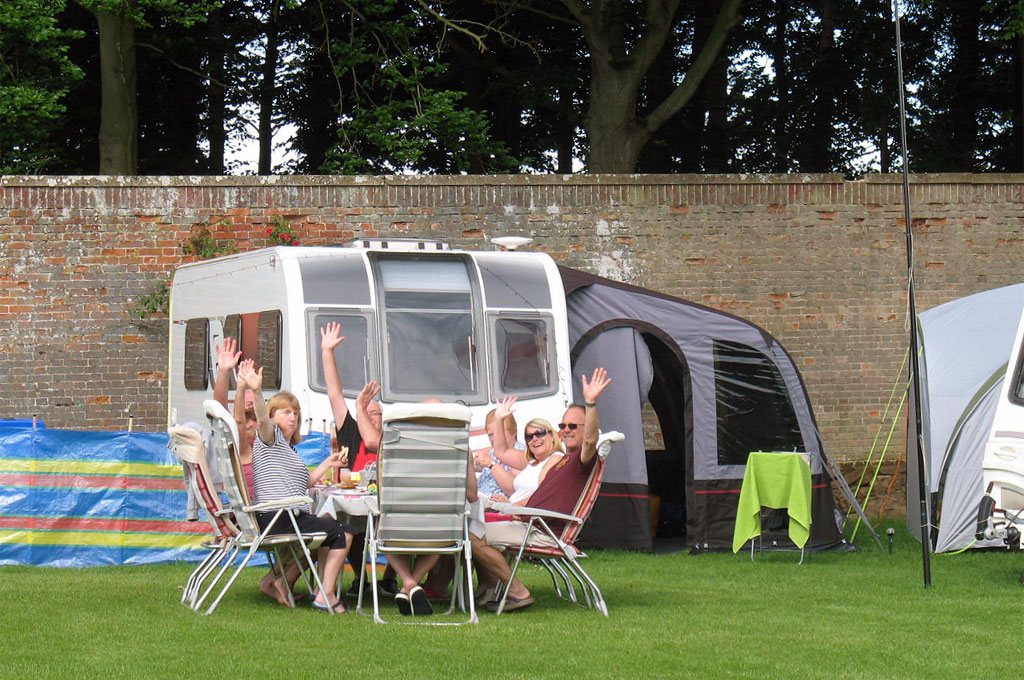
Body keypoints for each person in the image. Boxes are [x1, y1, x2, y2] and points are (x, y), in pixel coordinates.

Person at [478, 367, 612, 611]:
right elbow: (502, 452)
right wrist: (499, 418)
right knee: (472, 526)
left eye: (574, 426)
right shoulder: (560, 460)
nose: (567, 429)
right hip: (529, 522)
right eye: (563, 425)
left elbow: (591, 441)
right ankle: (491, 590)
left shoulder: (577, 461)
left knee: (472, 534)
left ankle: (517, 592)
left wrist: (591, 404)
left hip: (541, 529)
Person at [238, 362, 355, 614]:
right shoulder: (270, 439)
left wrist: (328, 462)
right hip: (277, 517)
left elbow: (306, 483)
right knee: (342, 532)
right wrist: (257, 392)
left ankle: (288, 583)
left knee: (327, 527)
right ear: (273, 416)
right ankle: (325, 595)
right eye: (285, 412)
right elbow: (261, 420)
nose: (292, 417)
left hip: (283, 515)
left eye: (295, 413)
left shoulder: (288, 450)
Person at [319, 322, 396, 595]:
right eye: (368, 411)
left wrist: (362, 407)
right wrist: (327, 352)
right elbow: (334, 394)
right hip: (355, 508)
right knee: (349, 524)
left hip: (387, 510)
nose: (371, 415)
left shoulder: (390, 437)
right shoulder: (351, 433)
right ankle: (359, 579)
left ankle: (389, 579)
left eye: (376, 413)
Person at [488, 415, 563, 506]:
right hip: (512, 511)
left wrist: (510, 506)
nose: (534, 439)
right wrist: (499, 419)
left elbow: (542, 494)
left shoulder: (556, 458)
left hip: (523, 516)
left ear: (552, 436)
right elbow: (501, 452)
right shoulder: (532, 462)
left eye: (540, 433)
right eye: (529, 437)